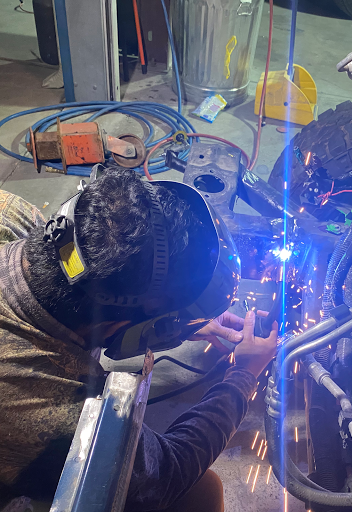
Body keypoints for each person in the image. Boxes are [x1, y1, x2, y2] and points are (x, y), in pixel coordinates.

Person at [0, 168, 278, 512]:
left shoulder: (18, 215)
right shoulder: (52, 408)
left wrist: (180, 322)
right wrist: (244, 375)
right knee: (202, 494)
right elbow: (168, 473)